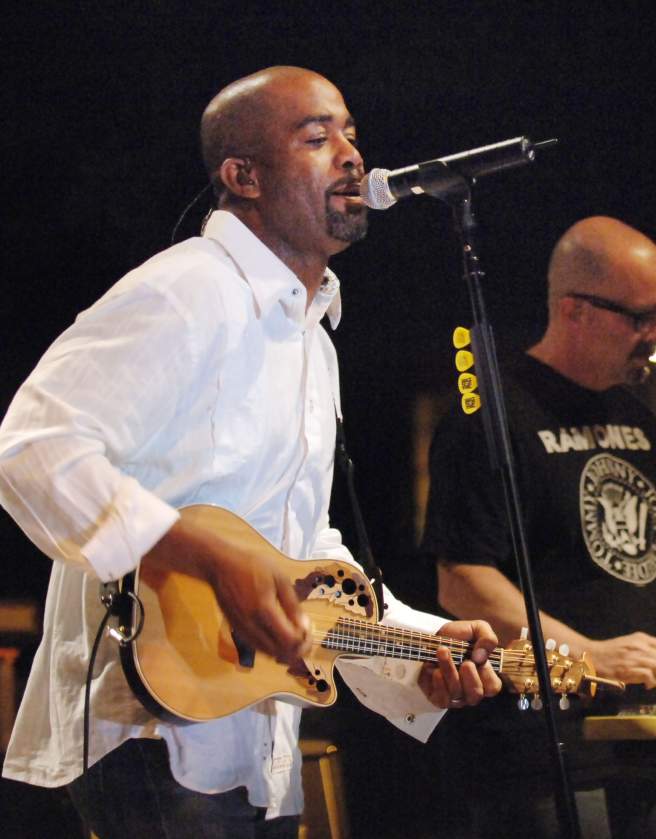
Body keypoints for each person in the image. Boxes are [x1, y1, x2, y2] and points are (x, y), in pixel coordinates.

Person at [0, 66, 502, 838]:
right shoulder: (189, 291)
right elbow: (31, 445)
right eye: (317, 136)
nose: (351, 156)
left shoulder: (313, 337)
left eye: (351, 134)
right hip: (148, 732)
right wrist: (190, 544)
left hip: (252, 740)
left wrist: (422, 648)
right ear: (243, 176)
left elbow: (303, 561)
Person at [421, 216, 656, 838]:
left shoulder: (637, 418)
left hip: (648, 743)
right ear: (576, 310)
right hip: (541, 753)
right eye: (641, 318)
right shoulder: (490, 416)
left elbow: (654, 574)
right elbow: (463, 582)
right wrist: (589, 655)